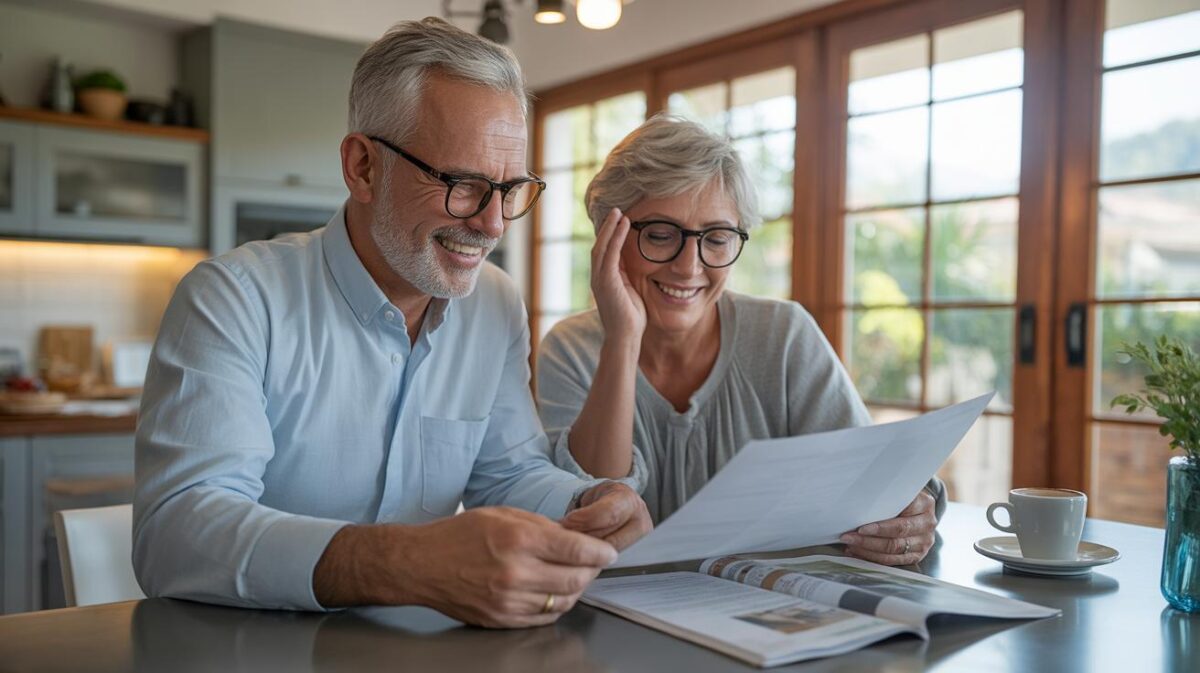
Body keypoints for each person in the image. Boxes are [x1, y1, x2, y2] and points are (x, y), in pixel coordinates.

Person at [133, 17, 650, 628]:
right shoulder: (234, 299)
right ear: (363, 167)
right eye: (462, 185)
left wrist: (584, 500)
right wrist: (406, 562)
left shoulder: (494, 304)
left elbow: (509, 472)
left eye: (510, 190)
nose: (492, 225)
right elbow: (176, 532)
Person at [536, 115, 943, 566]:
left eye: (716, 238)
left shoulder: (782, 336)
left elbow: (871, 479)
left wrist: (910, 512)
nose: (689, 267)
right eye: (659, 234)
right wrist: (622, 338)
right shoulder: (569, 350)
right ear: (607, 236)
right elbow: (598, 515)